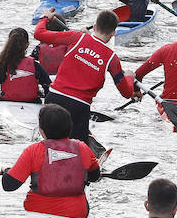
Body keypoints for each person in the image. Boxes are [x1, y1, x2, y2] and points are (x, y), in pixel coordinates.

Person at [33, 10, 138, 140]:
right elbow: (126, 93)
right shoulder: (112, 59)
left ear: (94, 27)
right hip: (79, 107)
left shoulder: (76, 37)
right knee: (76, 148)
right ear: (113, 33)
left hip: (54, 98)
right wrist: (129, 77)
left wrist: (44, 18)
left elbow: (39, 33)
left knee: (49, 140)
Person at [3, 103, 101, 218]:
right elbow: (95, 176)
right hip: (74, 214)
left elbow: (9, 185)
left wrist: (6, 172)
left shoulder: (33, 151)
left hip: (38, 213)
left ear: (42, 130)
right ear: (69, 127)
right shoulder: (83, 148)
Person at [0, 27, 50, 102]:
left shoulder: (1, 65)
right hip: (32, 103)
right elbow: (48, 88)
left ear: (8, 43)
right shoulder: (36, 66)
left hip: (6, 102)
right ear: (27, 45)